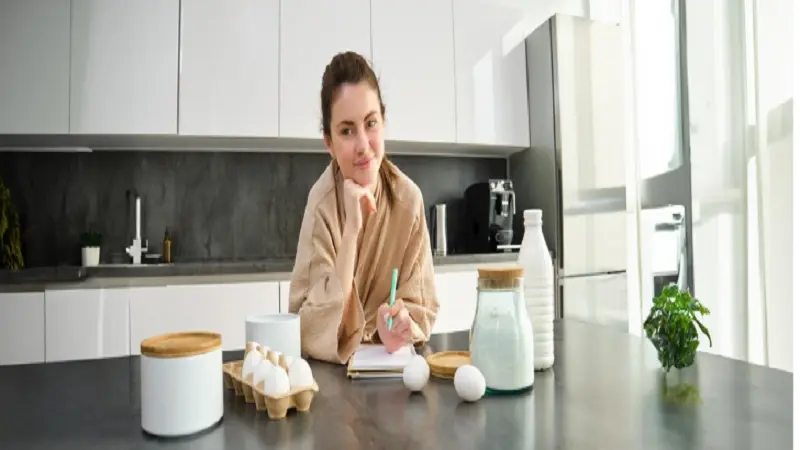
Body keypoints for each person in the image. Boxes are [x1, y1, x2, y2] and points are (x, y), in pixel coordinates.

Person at [288, 51, 440, 365]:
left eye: (370, 123)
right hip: (330, 382)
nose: (362, 145)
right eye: (346, 131)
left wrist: (397, 326)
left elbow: (420, 306)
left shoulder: (408, 200)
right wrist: (352, 231)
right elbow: (309, 325)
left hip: (393, 376)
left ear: (383, 122)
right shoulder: (321, 205)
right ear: (328, 143)